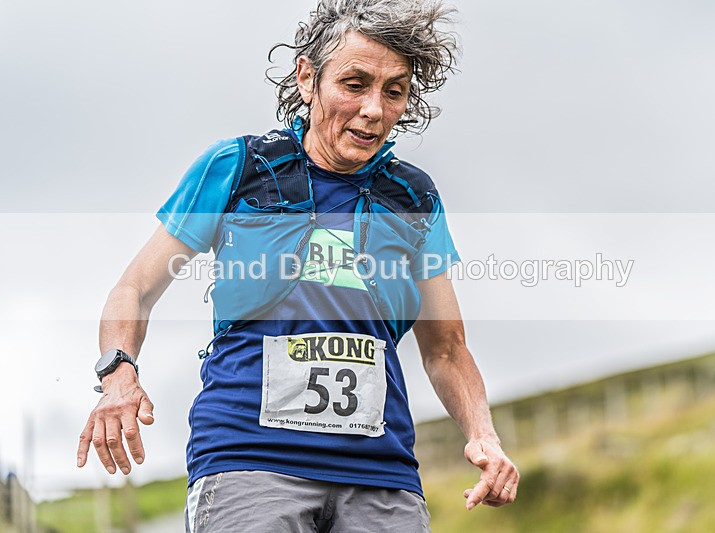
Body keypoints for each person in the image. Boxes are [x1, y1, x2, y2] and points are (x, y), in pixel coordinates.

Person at [77, 0, 519, 530]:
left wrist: (484, 435)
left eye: (394, 90)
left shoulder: (413, 196)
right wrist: (118, 374)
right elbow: (135, 290)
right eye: (354, 84)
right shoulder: (240, 168)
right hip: (249, 461)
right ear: (307, 78)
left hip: (382, 475)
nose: (375, 109)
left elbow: (446, 349)